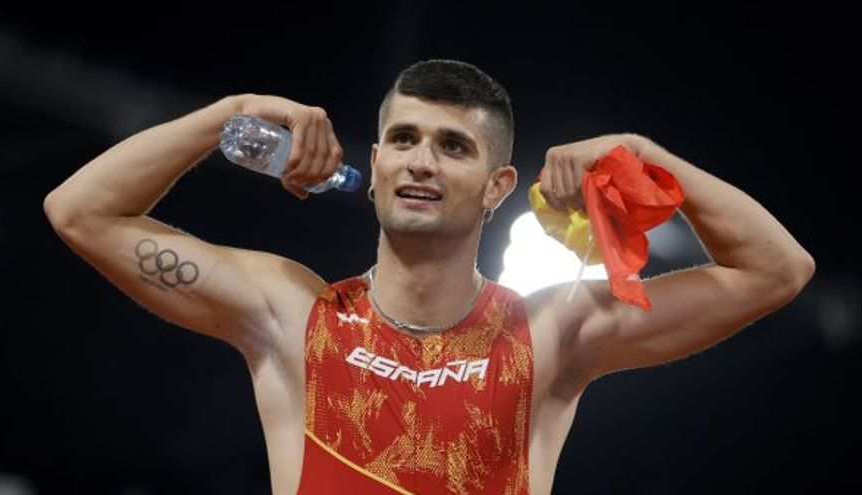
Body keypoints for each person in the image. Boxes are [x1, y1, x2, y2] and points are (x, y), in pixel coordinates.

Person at [43, 59, 815, 494]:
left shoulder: (550, 333)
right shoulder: (292, 314)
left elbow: (778, 269)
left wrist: (649, 157)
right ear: (373, 167)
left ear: (497, 186)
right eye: (404, 139)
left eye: (453, 146)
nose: (420, 160)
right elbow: (81, 213)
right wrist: (229, 114)